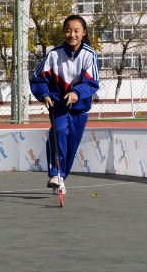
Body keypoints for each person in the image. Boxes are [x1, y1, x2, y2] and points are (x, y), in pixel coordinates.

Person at [30, 14, 100, 195]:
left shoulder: (90, 55)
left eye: (76, 31)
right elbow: (38, 78)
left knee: (71, 145)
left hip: (80, 109)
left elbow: (91, 82)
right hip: (59, 106)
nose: (72, 35)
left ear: (83, 32)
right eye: (68, 30)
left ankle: (61, 177)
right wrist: (44, 94)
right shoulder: (53, 55)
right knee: (58, 133)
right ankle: (55, 174)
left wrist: (77, 93)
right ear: (63, 32)